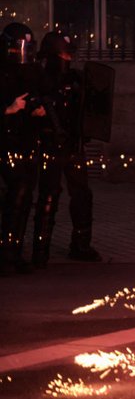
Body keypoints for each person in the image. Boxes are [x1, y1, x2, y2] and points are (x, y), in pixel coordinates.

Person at [31, 31, 101, 268]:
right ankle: (40, 250)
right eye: (63, 53)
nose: (67, 57)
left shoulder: (76, 79)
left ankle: (81, 245)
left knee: (82, 194)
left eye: (68, 53)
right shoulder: (41, 79)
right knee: (49, 195)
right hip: (51, 145)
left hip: (73, 144)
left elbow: (88, 109)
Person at [0, 22, 45, 275]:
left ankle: (14, 251)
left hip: (26, 141)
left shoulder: (31, 71)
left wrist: (39, 110)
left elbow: (38, 95)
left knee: (24, 196)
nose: (22, 53)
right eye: (19, 48)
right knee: (14, 195)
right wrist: (8, 109)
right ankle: (7, 254)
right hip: (5, 142)